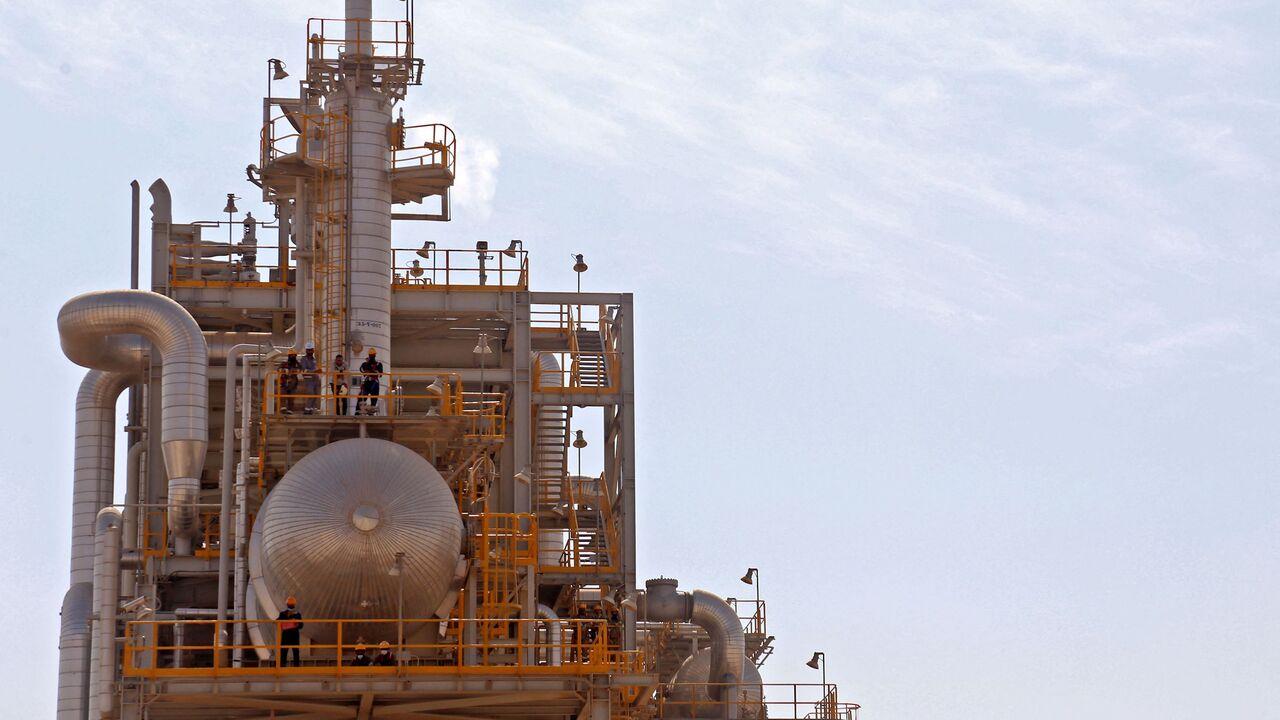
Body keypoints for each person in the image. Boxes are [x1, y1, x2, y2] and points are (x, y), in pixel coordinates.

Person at [277, 596, 304, 667]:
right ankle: (296, 668)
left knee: (284, 652)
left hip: (286, 636)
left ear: (287, 604)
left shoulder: (282, 614)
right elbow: (301, 626)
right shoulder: (297, 614)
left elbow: (277, 622)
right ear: (294, 604)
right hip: (294, 636)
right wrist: (296, 623)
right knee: (295, 652)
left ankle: (282, 668)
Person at [356, 349, 384, 416]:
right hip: (367, 382)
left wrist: (370, 371)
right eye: (371, 355)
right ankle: (357, 412)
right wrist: (371, 370)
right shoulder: (365, 364)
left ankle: (371, 413)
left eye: (372, 355)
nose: (372, 357)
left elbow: (380, 374)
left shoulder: (378, 364)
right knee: (361, 398)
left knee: (374, 399)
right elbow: (362, 370)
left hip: (375, 383)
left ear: (375, 355)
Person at [299, 342, 320, 414]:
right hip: (308, 379)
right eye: (309, 350)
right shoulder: (304, 359)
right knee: (311, 394)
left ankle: (312, 409)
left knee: (316, 395)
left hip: (315, 379)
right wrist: (315, 371)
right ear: (306, 350)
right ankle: (307, 410)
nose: (310, 351)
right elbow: (304, 370)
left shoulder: (314, 359)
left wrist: (317, 372)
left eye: (311, 350)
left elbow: (314, 368)